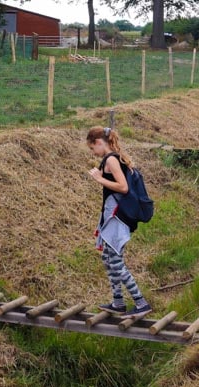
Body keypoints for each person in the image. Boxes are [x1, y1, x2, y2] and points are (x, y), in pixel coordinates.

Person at [86, 126, 152, 319]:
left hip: (118, 216)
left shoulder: (111, 159)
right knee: (107, 258)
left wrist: (100, 179)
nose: (93, 153)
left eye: (92, 148)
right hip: (112, 215)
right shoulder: (114, 157)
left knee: (115, 261)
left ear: (99, 142)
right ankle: (118, 302)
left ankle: (141, 303)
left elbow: (122, 187)